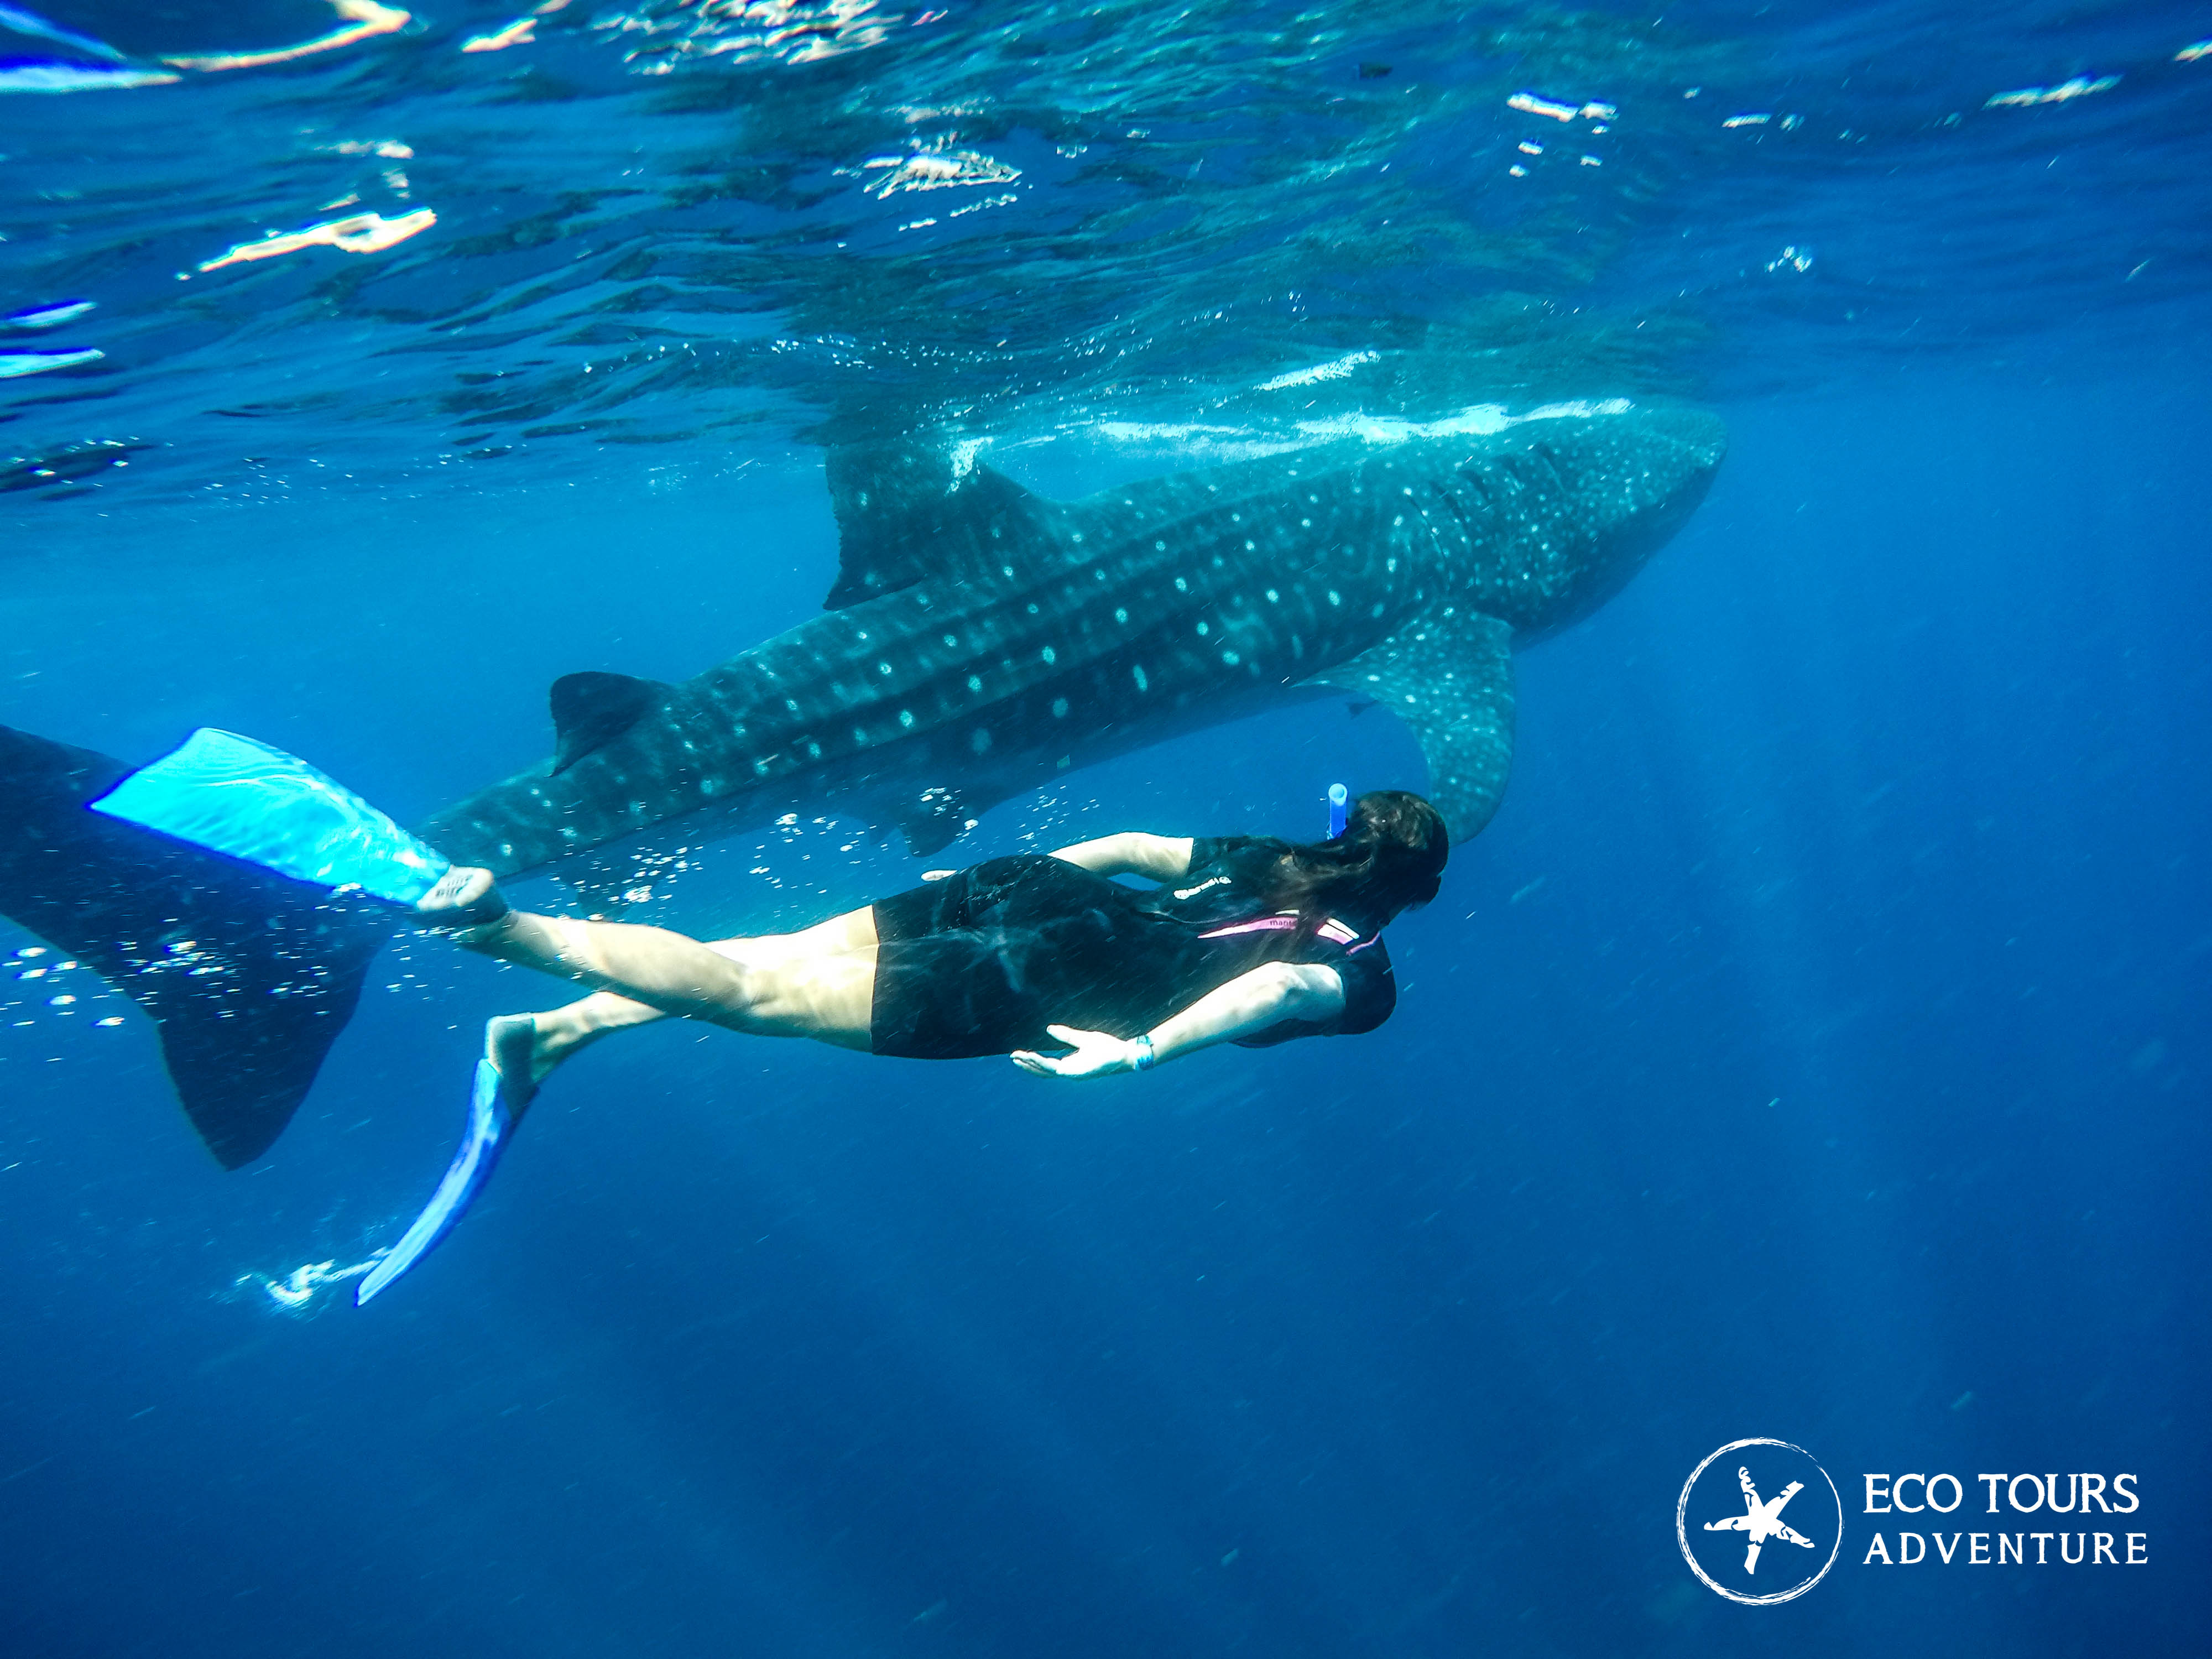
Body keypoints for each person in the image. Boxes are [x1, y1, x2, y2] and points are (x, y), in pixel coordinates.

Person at [421, 790, 1449, 1109]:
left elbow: (1135, 847)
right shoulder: (1367, 978)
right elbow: (1269, 992)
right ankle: (502, 927)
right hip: (1050, 975)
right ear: (1419, 895)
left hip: (1036, 889)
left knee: (774, 951)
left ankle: (551, 1035)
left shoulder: (1267, 856)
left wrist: (996, 887)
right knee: (748, 989)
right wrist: (1136, 1054)